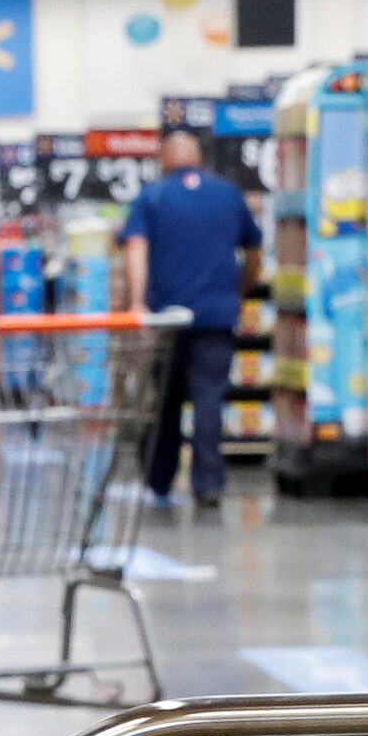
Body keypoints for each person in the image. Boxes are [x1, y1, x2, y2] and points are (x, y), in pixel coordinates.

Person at [120, 130, 262, 509]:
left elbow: (136, 248)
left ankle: (160, 480)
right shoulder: (229, 195)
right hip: (216, 317)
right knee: (208, 400)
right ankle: (208, 485)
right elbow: (254, 252)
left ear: (165, 159)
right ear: (197, 157)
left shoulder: (152, 197)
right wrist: (239, 290)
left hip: (167, 321)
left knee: (164, 402)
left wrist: (136, 302)